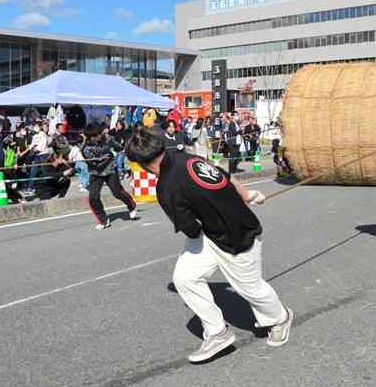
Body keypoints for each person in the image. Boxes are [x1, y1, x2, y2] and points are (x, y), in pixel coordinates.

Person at [125, 126, 293, 363]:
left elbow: (191, 229)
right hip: (214, 233)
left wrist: (238, 201)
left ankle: (280, 318)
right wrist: (248, 195)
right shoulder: (189, 157)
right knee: (185, 277)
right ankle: (217, 333)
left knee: (250, 288)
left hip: (236, 236)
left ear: (140, 164)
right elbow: (225, 177)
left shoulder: (165, 188)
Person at [81, 123, 138, 229]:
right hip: (96, 172)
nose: (97, 137)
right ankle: (103, 220)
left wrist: (118, 152)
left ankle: (131, 205)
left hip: (110, 169)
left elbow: (118, 147)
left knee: (117, 192)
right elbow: (94, 164)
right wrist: (106, 157)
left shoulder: (107, 138)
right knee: (93, 197)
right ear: (89, 137)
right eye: (94, 136)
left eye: (98, 134)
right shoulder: (86, 148)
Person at [24, 122, 52, 196]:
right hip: (37, 155)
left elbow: (41, 147)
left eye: (47, 127)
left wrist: (35, 148)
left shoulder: (45, 136)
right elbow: (32, 146)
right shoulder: (36, 136)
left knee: (44, 171)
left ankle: (48, 187)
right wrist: (34, 148)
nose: (46, 128)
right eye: (45, 127)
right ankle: (29, 188)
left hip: (43, 155)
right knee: (34, 171)